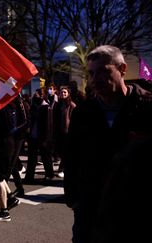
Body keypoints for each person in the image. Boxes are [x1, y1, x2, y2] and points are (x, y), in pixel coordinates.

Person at [64, 45, 152, 243]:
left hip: (136, 211)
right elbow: (71, 156)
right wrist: (73, 198)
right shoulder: (83, 112)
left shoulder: (146, 107)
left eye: (104, 71)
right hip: (90, 210)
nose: (96, 79)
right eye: (92, 73)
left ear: (122, 69)